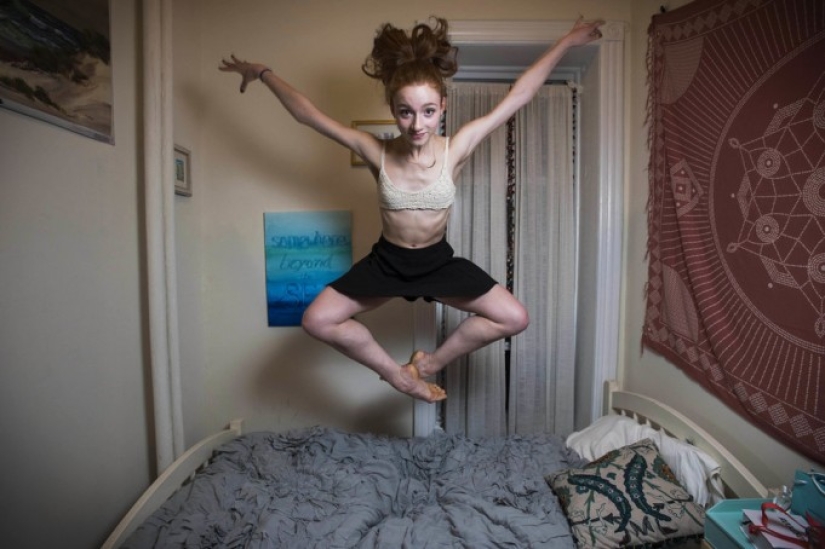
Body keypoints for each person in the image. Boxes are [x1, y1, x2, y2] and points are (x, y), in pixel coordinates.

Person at [220, 16, 604, 403]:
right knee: (316, 320)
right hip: (388, 261)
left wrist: (568, 42)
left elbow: (519, 96)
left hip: (437, 262)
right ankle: (399, 376)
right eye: (405, 112)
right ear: (393, 108)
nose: (417, 124)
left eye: (428, 112)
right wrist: (262, 73)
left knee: (514, 317)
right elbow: (309, 115)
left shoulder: (456, 148)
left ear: (442, 107)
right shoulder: (377, 151)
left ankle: (429, 364)